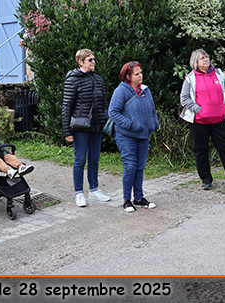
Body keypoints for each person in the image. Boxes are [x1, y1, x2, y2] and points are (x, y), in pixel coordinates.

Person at [180, 49, 225, 190]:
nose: (206, 59)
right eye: (202, 58)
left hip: (219, 120)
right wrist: (199, 110)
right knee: (201, 150)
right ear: (195, 61)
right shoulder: (191, 78)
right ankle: (206, 179)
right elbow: (184, 99)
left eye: (207, 57)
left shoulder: (218, 74)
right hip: (199, 122)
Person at [108, 61, 160, 212]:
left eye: (141, 72)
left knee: (140, 167)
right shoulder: (121, 91)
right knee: (130, 166)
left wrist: (154, 124)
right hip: (126, 136)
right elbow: (113, 112)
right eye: (137, 74)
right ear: (128, 76)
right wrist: (130, 125)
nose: (140, 76)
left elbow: (152, 109)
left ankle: (139, 198)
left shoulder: (145, 90)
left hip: (143, 135)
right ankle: (126, 200)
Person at [62, 49, 111, 207]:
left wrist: (104, 119)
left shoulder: (97, 78)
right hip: (80, 127)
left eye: (94, 59)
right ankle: (79, 193)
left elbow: (104, 102)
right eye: (90, 60)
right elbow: (66, 106)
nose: (93, 62)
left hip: (96, 126)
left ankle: (94, 190)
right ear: (80, 62)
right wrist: (67, 131)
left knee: (94, 159)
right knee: (80, 160)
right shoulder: (73, 79)